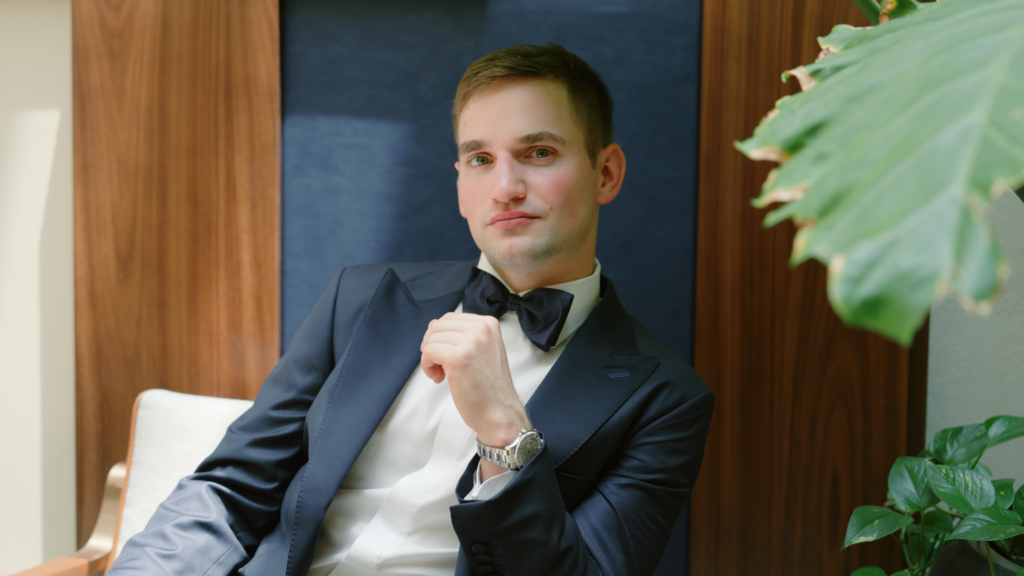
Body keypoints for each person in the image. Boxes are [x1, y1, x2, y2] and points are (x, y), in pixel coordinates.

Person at [108, 43, 714, 576]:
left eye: (537, 153)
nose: (504, 186)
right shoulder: (360, 298)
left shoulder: (667, 400)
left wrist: (507, 433)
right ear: (459, 186)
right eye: (480, 159)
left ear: (604, 172)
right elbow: (228, 490)